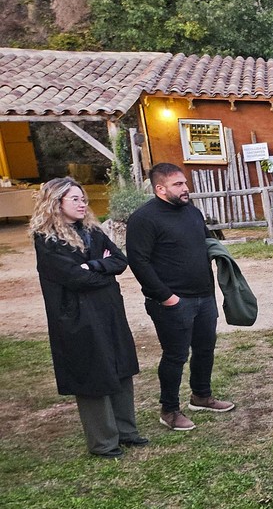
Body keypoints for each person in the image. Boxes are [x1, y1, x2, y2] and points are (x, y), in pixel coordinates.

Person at [32, 177, 146, 458]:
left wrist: (94, 265)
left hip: (108, 311)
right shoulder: (48, 240)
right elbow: (74, 277)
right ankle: (104, 442)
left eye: (84, 199)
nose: (83, 204)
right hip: (77, 317)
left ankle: (126, 431)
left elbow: (119, 261)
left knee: (120, 367)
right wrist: (100, 272)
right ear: (55, 202)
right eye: (75, 199)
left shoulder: (93, 232)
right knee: (92, 374)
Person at [126, 162, 235, 433]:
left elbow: (206, 246)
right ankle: (170, 410)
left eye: (185, 183)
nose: (186, 189)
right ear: (160, 188)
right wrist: (165, 296)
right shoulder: (144, 218)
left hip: (203, 297)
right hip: (172, 301)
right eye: (178, 185)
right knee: (175, 355)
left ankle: (201, 396)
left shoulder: (192, 212)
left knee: (205, 348)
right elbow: (138, 261)